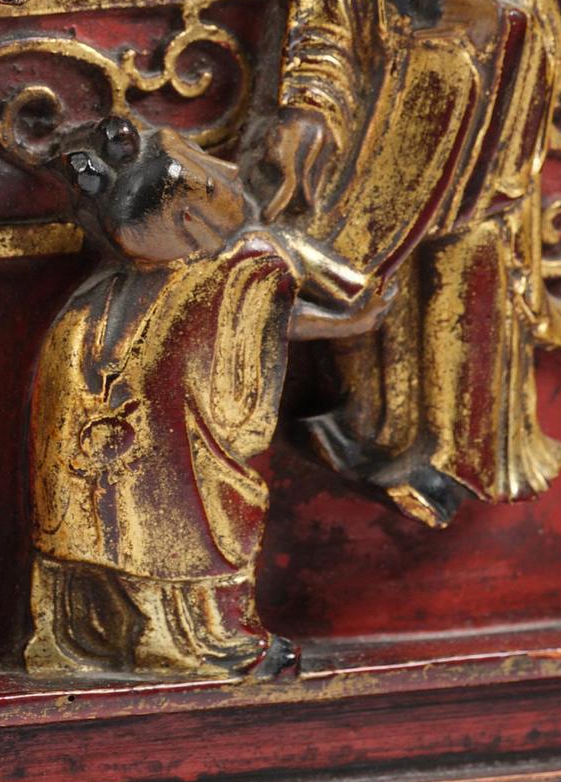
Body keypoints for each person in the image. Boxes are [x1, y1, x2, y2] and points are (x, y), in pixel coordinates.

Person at [252, 0, 561, 529]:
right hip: (372, 177)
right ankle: (373, 433)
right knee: (359, 283)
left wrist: (498, 31)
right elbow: (316, 53)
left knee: (461, 293)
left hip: (474, 185)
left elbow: (538, 53)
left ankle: (460, 458)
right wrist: (301, 120)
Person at [27, 117, 370, 680]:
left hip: (107, 448)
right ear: (191, 222)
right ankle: (191, 642)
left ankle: (102, 631)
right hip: (165, 455)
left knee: (116, 523)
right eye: (211, 181)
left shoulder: (101, 299)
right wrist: (357, 313)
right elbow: (302, 313)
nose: (231, 172)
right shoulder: (237, 266)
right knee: (177, 528)